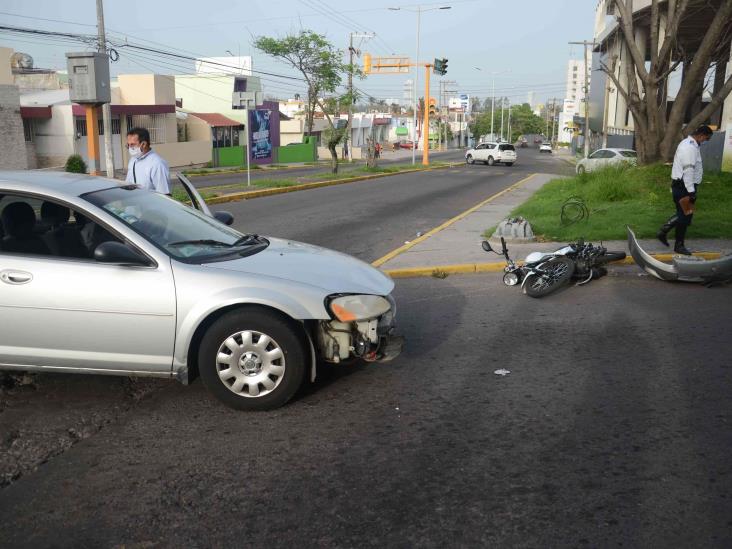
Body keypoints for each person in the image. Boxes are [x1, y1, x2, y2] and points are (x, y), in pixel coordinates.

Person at [656, 124, 714, 255]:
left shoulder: (689, 144)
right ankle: (669, 237)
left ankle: (673, 240)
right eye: (706, 139)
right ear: (701, 136)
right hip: (684, 187)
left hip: (682, 185)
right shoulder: (689, 148)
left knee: (684, 215)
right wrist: (691, 191)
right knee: (685, 216)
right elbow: (688, 170)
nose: (705, 141)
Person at [125, 127, 171, 195]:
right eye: (128, 145)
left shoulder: (157, 164)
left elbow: (165, 194)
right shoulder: (133, 160)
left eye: (132, 144)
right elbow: (128, 183)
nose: (130, 148)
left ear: (143, 144)